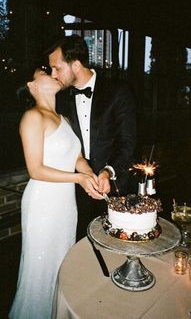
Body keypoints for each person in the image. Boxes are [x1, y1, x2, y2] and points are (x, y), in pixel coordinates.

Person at [9, 70, 105, 319]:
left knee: (62, 264)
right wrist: (78, 178)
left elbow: (77, 158)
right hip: (42, 204)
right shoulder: (32, 117)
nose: (52, 73)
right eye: (43, 72)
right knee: (39, 270)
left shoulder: (65, 120)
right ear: (32, 85)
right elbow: (36, 169)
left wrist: (90, 177)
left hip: (65, 205)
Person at [46, 35, 136, 240]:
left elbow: (127, 142)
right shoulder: (59, 98)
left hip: (114, 187)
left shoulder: (118, 92)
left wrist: (108, 171)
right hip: (75, 190)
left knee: (115, 245)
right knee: (80, 246)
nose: (53, 74)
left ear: (76, 65)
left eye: (57, 68)